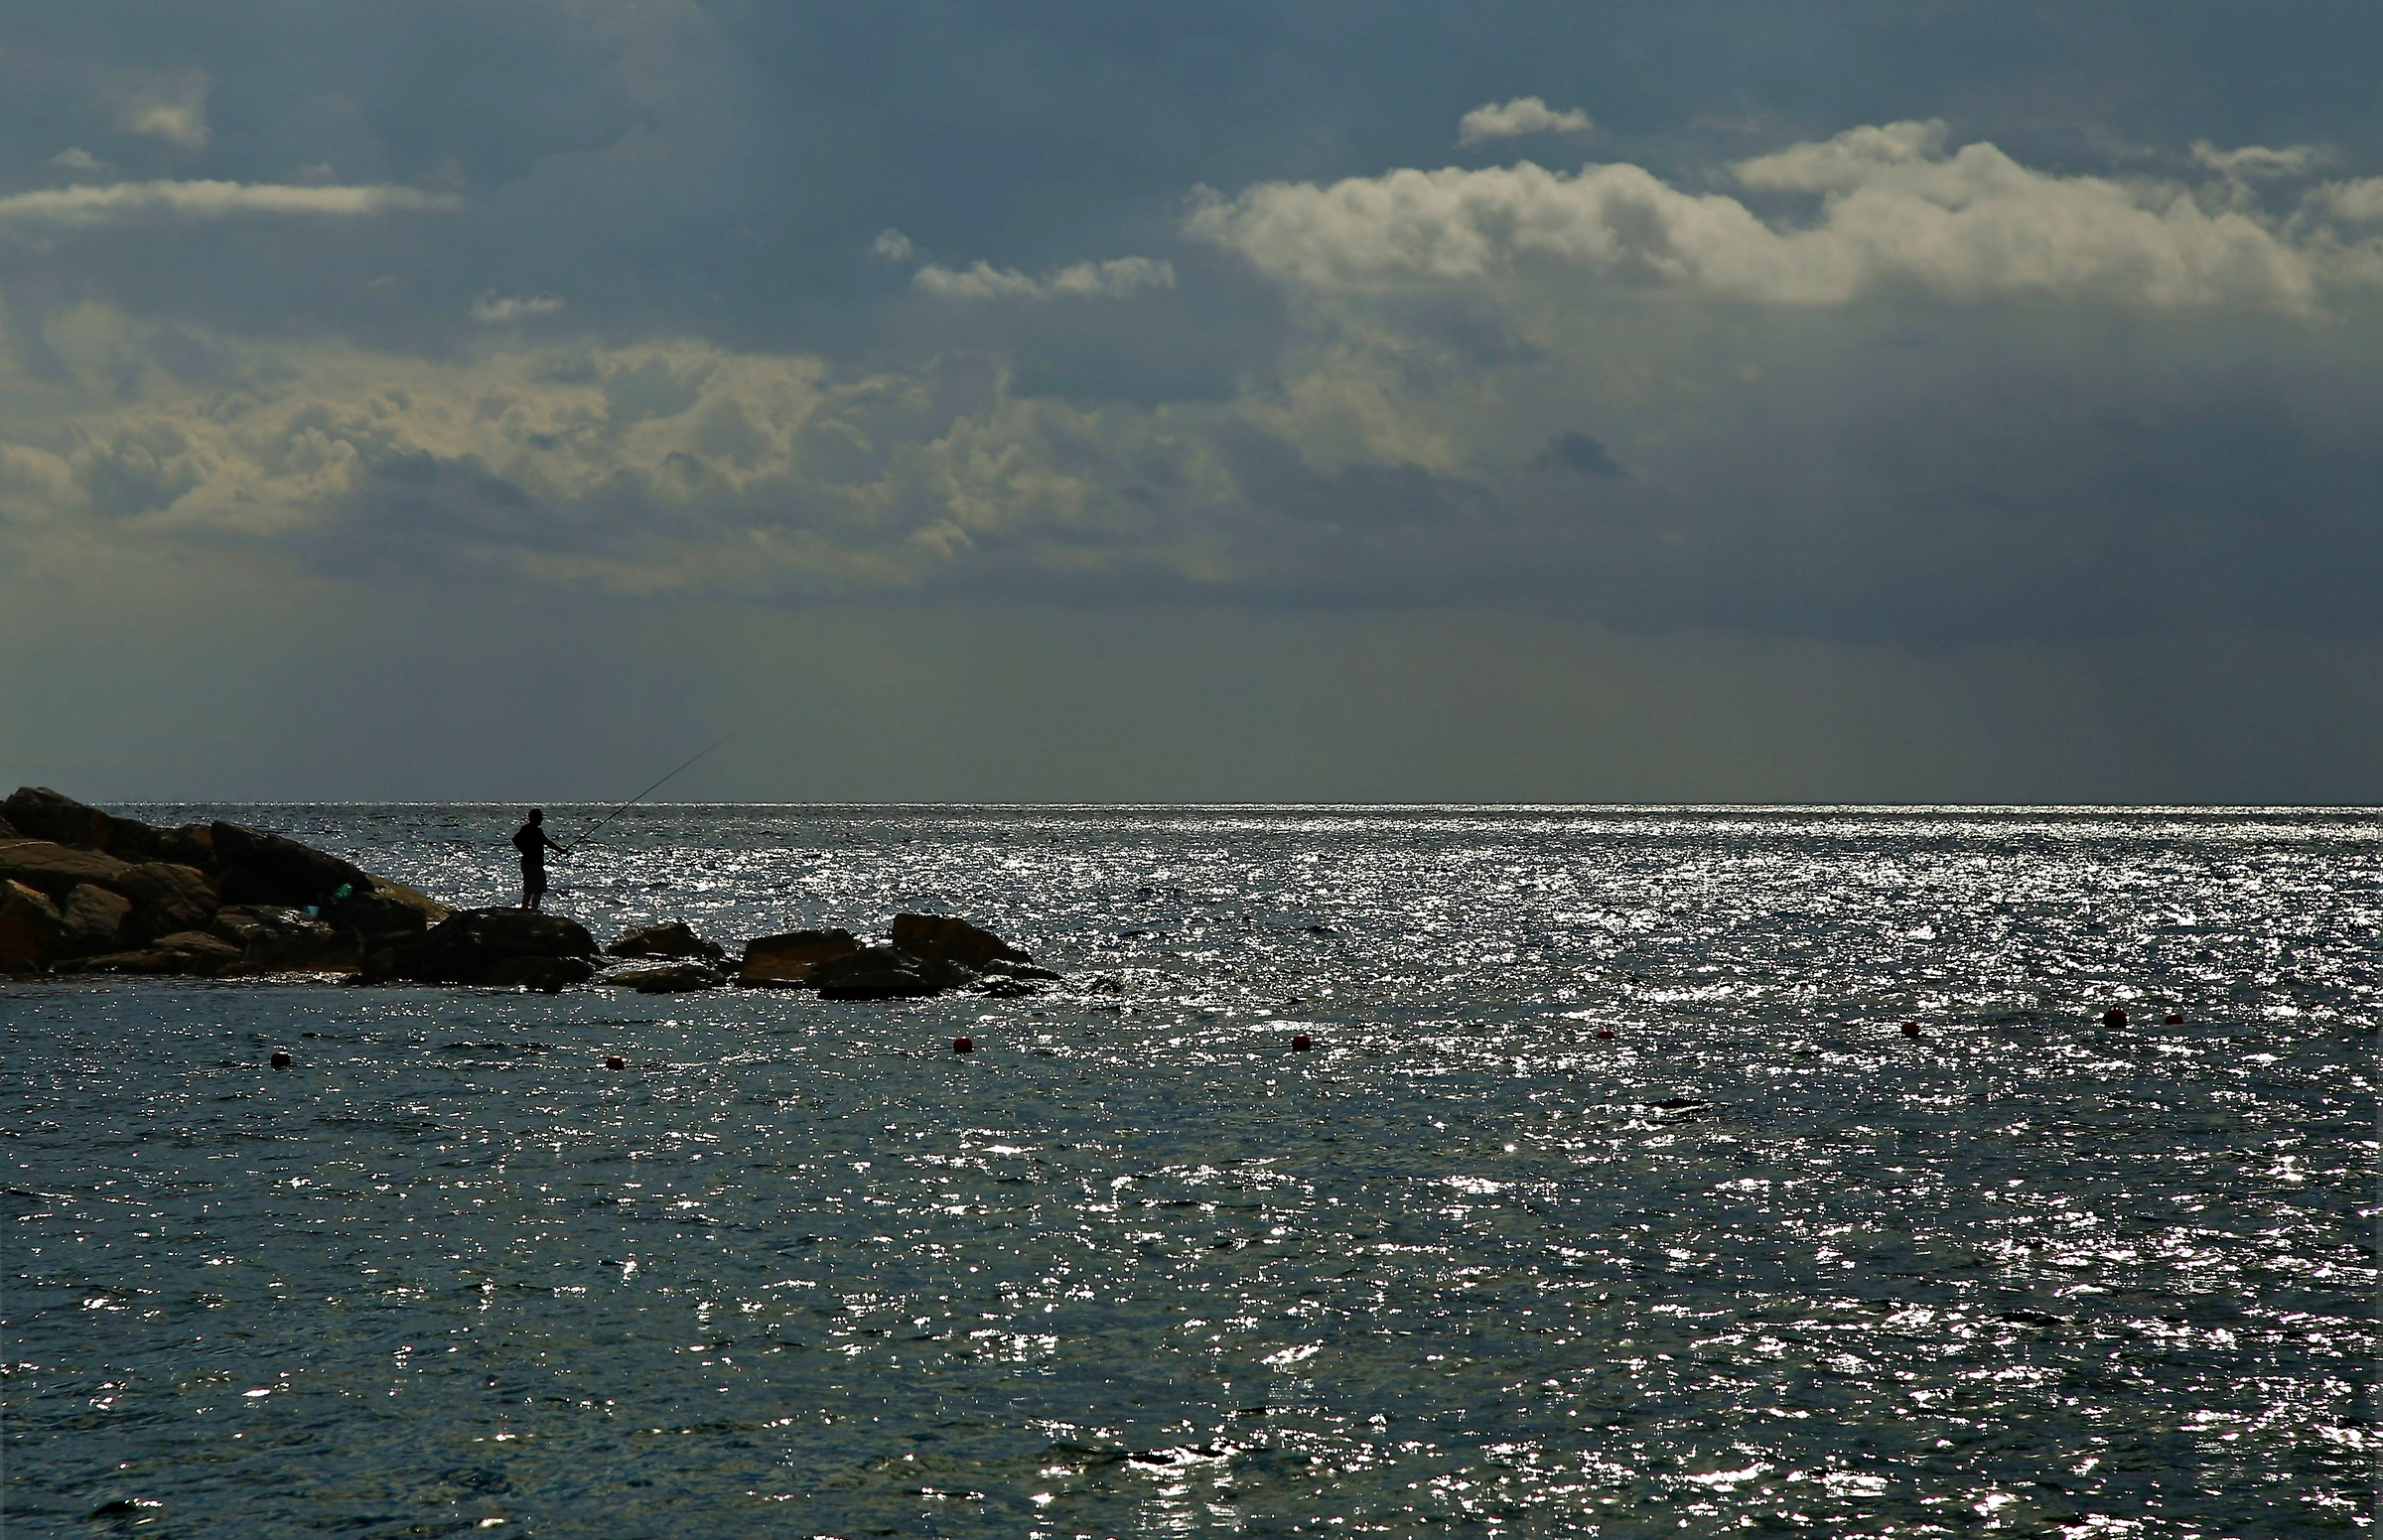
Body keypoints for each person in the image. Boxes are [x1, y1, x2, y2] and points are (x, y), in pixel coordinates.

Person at [511, 809, 569, 910]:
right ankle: (533, 910)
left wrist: (560, 850)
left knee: (529, 888)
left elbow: (547, 842)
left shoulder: (532, 830)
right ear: (534, 818)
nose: (541, 819)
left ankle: (525, 909)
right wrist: (525, 851)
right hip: (533, 864)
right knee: (538, 888)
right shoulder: (532, 830)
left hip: (529, 863)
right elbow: (547, 842)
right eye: (540, 817)